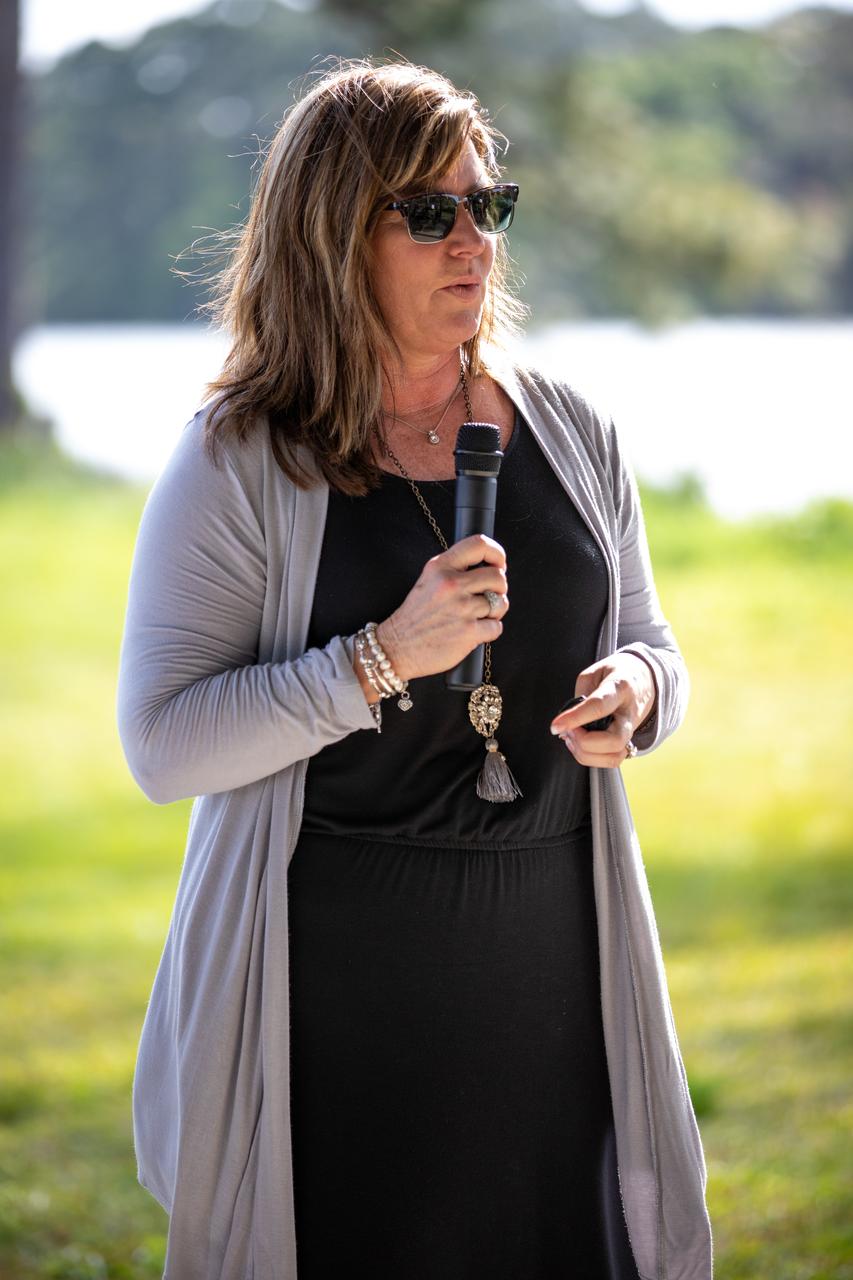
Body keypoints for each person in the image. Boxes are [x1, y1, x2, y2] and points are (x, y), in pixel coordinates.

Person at [117, 58, 713, 1280]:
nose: (473, 244)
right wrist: (383, 655)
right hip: (333, 993)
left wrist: (641, 697)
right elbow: (164, 743)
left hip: (555, 968)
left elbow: (652, 640)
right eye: (429, 213)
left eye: (486, 207)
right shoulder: (240, 458)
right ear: (334, 234)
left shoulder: (571, 427)